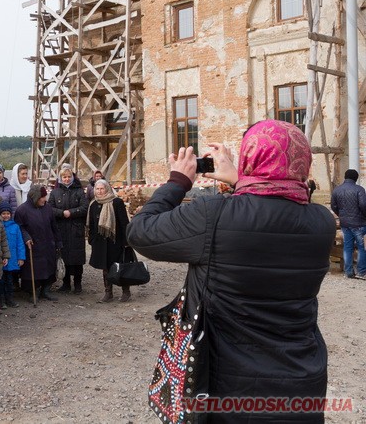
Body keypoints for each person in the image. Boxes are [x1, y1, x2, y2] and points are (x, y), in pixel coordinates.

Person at [126, 120, 335, 423]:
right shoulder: (321, 222)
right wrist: (242, 179)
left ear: (252, 158)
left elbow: (140, 232)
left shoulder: (215, 214)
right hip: (301, 382)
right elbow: (269, 210)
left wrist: (176, 182)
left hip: (229, 387)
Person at [87, 179, 134, 302]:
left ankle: (126, 291)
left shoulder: (116, 202)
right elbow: (91, 224)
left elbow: (124, 223)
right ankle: (108, 292)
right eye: (97, 189)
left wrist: (126, 241)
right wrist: (91, 239)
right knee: (105, 267)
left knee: (120, 266)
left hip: (116, 241)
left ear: (107, 189)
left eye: (102, 188)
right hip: (101, 242)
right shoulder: (93, 204)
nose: (100, 191)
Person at [14, 184, 62, 301]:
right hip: (32, 245)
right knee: (33, 270)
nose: (45, 199)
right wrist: (26, 237)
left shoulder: (48, 208)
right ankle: (33, 291)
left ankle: (45, 290)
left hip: (48, 243)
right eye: (42, 197)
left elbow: (54, 226)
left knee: (49, 267)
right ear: (35, 197)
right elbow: (20, 227)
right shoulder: (22, 210)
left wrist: (58, 241)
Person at [48, 167, 89, 293]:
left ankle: (78, 284)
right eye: (64, 177)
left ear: (72, 177)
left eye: (68, 176)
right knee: (63, 257)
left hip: (76, 229)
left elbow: (84, 207)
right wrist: (62, 213)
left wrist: (71, 213)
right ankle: (66, 284)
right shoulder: (55, 192)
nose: (66, 179)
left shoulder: (79, 191)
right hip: (61, 230)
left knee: (77, 259)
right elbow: (50, 208)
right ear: (60, 178)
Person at [331, 169, 366, 279]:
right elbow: (363, 205)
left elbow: (333, 206)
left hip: (345, 223)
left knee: (347, 246)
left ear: (345, 177)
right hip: (359, 223)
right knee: (361, 247)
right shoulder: (359, 189)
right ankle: (361, 271)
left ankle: (348, 272)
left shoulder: (337, 190)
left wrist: (341, 215)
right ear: (356, 178)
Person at [0, 201, 25, 308]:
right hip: (0, 260)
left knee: (10, 281)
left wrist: (21, 257)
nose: (5, 216)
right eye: (3, 213)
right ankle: (1, 300)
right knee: (0, 282)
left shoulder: (15, 227)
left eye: (7, 213)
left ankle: (10, 299)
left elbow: (20, 243)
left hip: (12, 259)